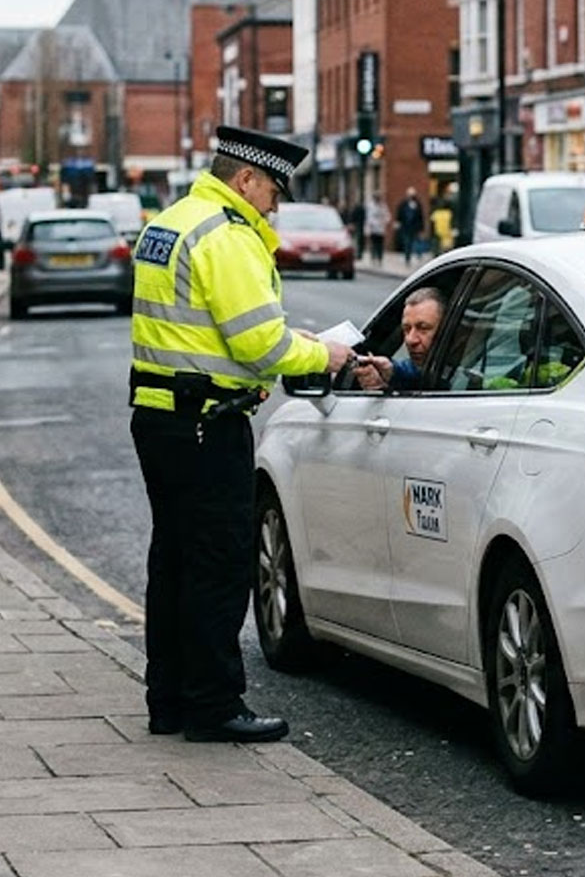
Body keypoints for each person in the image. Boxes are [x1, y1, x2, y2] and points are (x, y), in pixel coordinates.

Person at [128, 125, 353, 745]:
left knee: (171, 560)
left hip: (159, 414)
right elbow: (257, 340)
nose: (275, 204)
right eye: (273, 190)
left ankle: (168, 698)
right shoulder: (225, 235)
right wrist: (323, 355)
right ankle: (213, 704)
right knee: (219, 566)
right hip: (208, 422)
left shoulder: (171, 221)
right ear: (245, 179)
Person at [352, 287, 447, 391]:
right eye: (406, 329)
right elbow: (419, 371)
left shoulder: (463, 376)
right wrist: (391, 372)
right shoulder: (433, 366)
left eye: (423, 328)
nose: (410, 340)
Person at [396, 187, 425, 264]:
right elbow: (399, 214)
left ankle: (419, 255)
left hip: (415, 227)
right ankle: (407, 258)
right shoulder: (403, 204)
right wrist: (398, 223)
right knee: (407, 243)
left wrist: (421, 227)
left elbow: (420, 216)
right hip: (406, 227)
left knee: (417, 242)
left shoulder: (418, 204)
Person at [364, 193, 389, 265]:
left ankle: (380, 258)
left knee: (380, 244)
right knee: (374, 244)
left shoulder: (383, 206)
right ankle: (373, 257)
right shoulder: (370, 206)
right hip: (373, 228)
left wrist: (384, 221)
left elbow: (387, 216)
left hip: (381, 228)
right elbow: (368, 217)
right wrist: (370, 225)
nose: (377, 200)